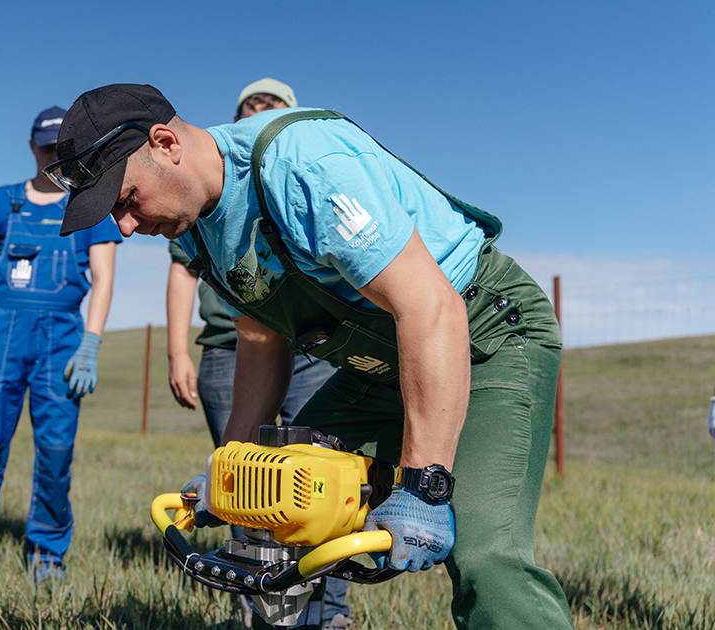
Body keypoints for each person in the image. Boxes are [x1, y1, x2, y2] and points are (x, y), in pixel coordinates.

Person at [47, 84, 573, 630]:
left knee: (484, 553)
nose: (127, 227)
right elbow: (259, 341)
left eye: (127, 199)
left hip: (481, 335)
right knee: (276, 497)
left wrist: (425, 483)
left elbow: (429, 306)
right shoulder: (203, 227)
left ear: (165, 143)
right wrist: (229, 474)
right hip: (385, 362)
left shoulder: (302, 166)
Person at [165, 79, 349, 628]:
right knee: (241, 480)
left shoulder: (294, 184)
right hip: (228, 347)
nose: (260, 111)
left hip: (312, 346)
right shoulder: (205, 195)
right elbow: (180, 271)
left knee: (323, 479)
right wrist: (178, 351)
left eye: (273, 107)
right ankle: (262, 611)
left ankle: (328, 612)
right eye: (251, 105)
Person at [0, 106, 121, 581]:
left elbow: (104, 280)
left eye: (61, 148)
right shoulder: (0, 202)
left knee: (55, 452)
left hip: (63, 339)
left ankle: (47, 554)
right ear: (32, 147)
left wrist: (91, 343)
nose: (52, 156)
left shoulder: (90, 206)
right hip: (1, 335)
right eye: (45, 147)